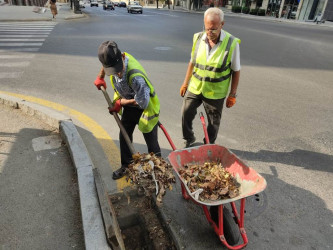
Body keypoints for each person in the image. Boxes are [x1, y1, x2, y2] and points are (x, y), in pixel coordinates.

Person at [94, 41, 161, 180]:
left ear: (122, 58)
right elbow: (105, 64)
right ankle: (127, 166)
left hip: (145, 108)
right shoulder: (112, 56)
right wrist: (100, 77)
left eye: (118, 69)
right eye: (112, 70)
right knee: (124, 135)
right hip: (128, 105)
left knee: (151, 142)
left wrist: (120, 102)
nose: (117, 74)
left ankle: (158, 171)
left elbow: (142, 101)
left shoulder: (136, 77)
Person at [179, 7, 241, 147]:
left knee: (213, 122)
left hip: (215, 92)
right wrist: (185, 83)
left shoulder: (232, 43)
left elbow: (236, 70)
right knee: (186, 112)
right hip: (196, 87)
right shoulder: (198, 37)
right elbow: (192, 62)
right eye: (207, 28)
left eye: (213, 29)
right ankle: (189, 138)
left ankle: (208, 145)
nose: (209, 33)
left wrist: (233, 94)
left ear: (222, 25)